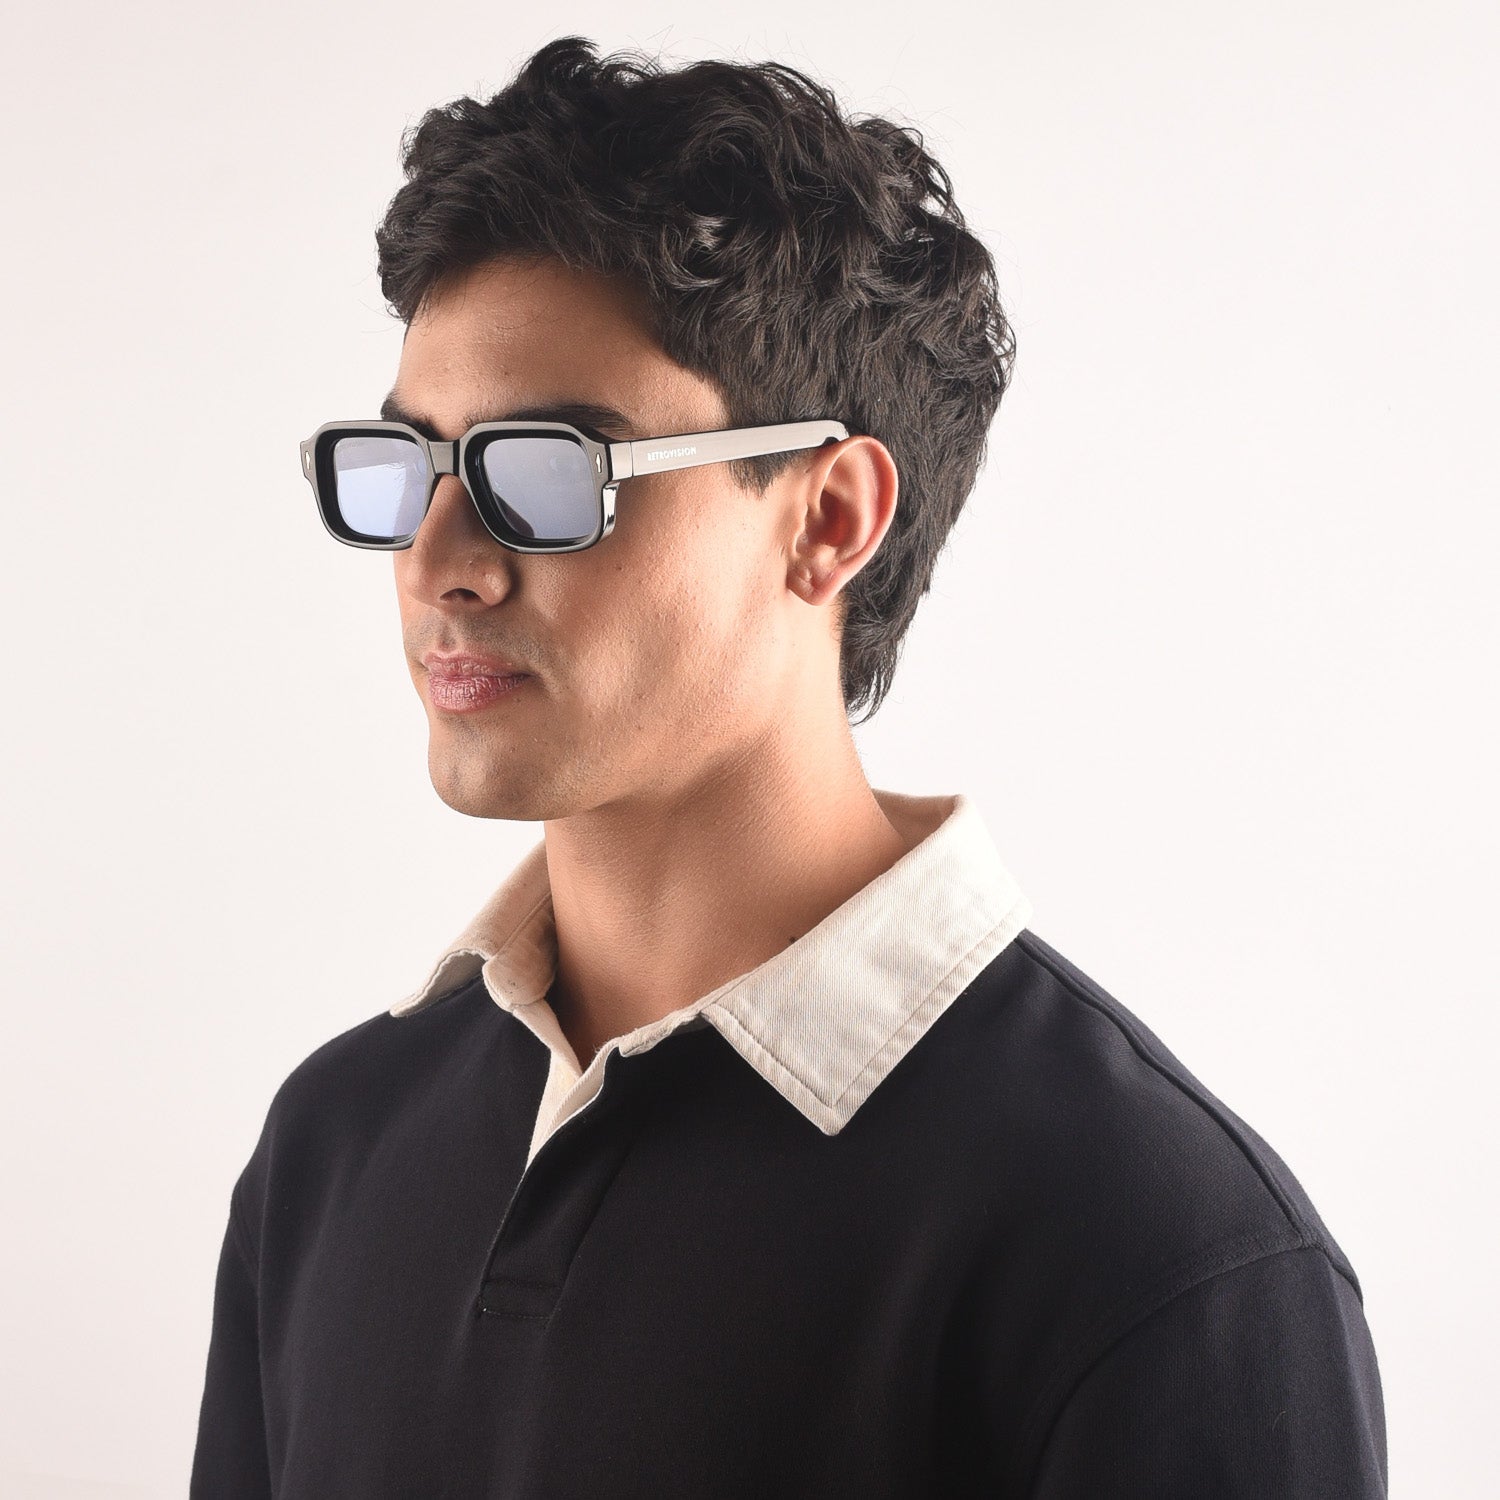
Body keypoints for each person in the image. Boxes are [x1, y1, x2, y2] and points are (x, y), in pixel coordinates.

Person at [191, 35, 1387, 1498]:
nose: (440, 562)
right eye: (411, 467)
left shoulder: (1160, 1253)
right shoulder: (334, 1146)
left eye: (545, 473)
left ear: (827, 520)